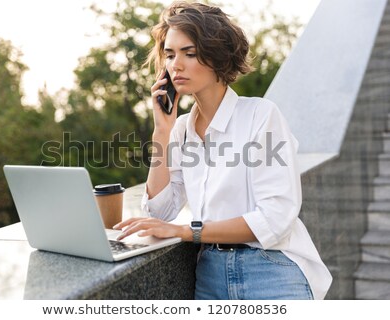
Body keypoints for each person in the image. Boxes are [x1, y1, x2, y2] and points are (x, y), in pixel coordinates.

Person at [114, 1, 332, 300]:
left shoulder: (260, 115)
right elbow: (160, 210)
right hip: (210, 276)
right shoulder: (179, 130)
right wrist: (161, 131)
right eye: (169, 55)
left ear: (217, 56)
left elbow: (276, 219)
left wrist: (187, 232)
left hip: (270, 270)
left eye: (189, 53)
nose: (175, 65)